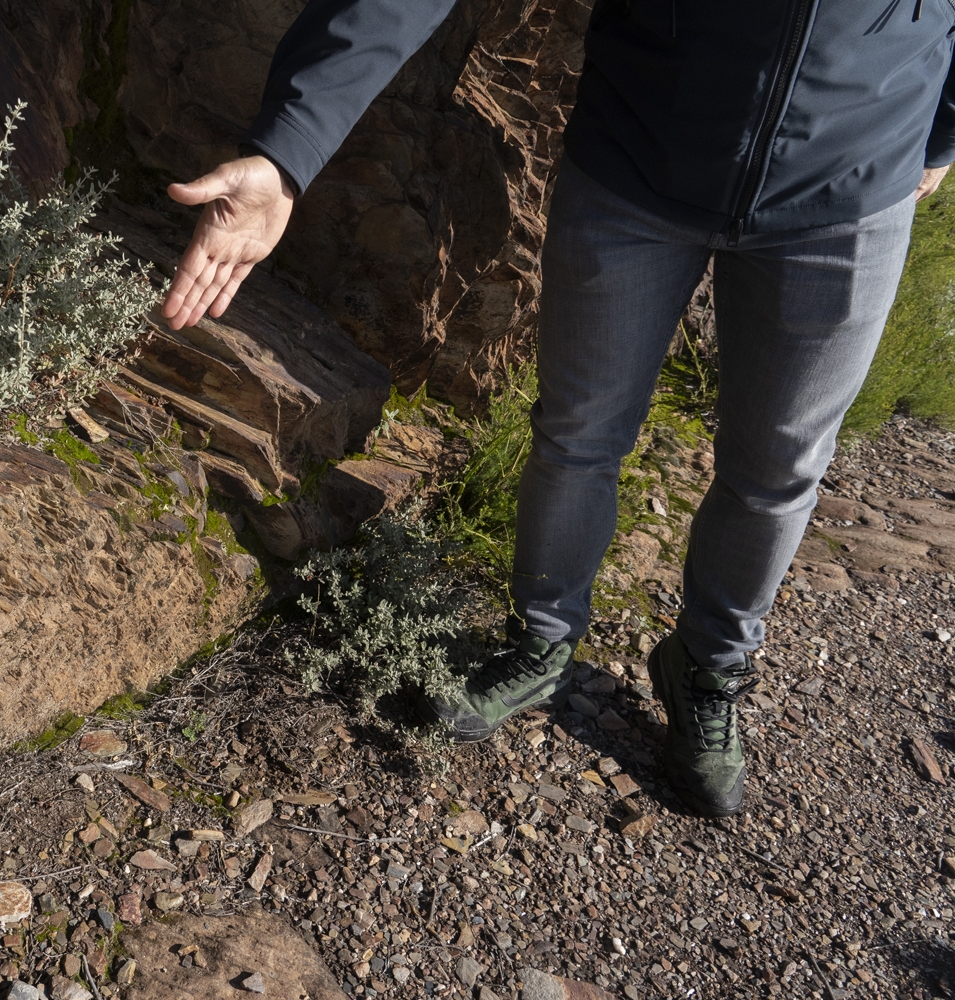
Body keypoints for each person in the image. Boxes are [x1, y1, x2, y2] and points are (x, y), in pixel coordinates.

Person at [159, 0, 955, 817]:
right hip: (639, 157)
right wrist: (290, 149)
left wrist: (939, 129)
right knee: (578, 431)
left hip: (851, 188)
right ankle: (540, 637)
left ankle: (709, 668)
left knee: (780, 470)